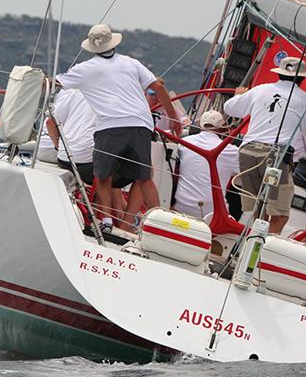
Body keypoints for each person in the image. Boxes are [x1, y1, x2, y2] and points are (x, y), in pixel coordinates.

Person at [56, 24, 181, 233]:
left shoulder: (86, 68)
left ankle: (105, 220)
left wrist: (26, 84)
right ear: (113, 42)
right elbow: (158, 87)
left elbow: (54, 82)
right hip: (141, 125)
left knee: (103, 175)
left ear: (91, 46)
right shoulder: (131, 63)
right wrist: (175, 119)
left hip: (111, 126)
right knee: (144, 178)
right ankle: (159, 227)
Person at [223, 56, 306, 234]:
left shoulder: (260, 90)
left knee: (257, 210)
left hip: (247, 152)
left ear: (279, 74)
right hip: (274, 159)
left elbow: (229, 108)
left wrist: (238, 96)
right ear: (303, 78)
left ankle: (248, 246)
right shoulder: (304, 99)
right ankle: (259, 251)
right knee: (280, 214)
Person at [47, 88, 127, 222]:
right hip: (88, 166)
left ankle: (112, 212)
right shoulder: (113, 96)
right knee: (141, 171)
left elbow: (50, 123)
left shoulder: (74, 92)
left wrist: (59, 147)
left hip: (64, 158)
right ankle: (123, 220)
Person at [174, 110, 239, 218]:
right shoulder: (231, 151)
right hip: (212, 213)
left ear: (200, 125)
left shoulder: (184, 143)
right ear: (222, 128)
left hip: (181, 207)